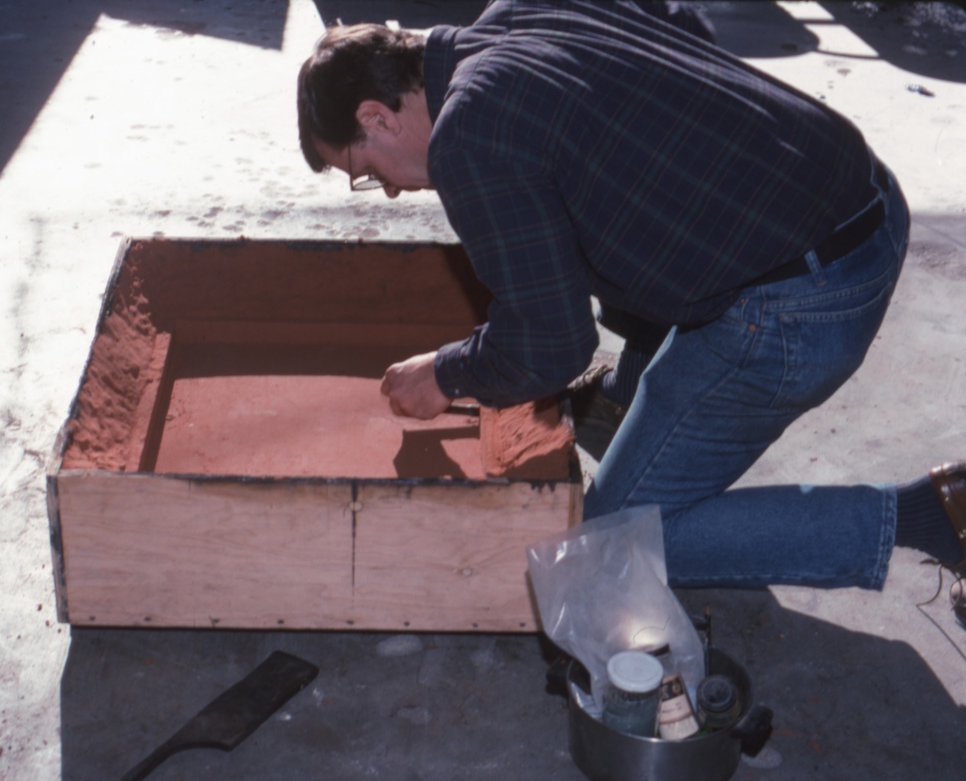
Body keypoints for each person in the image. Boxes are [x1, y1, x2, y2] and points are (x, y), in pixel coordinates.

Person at [295, 0, 964, 626]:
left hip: (803, 305)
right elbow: (681, 28)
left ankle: (930, 516)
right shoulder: (516, 13)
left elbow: (553, 343)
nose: (384, 191)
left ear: (378, 116)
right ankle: (626, 396)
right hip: (858, 190)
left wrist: (445, 374)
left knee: (616, 544)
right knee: (610, 209)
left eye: (363, 169)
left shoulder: (471, 136)